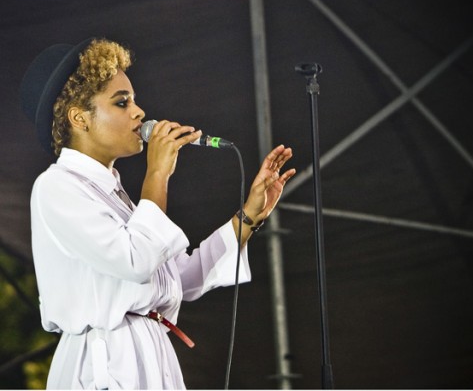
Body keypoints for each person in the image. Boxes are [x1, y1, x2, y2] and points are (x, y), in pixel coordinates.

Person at [19, 37, 296, 389]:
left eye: (134, 101)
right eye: (122, 103)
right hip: (105, 363)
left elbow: (180, 278)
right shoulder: (57, 186)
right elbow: (135, 261)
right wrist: (157, 174)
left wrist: (249, 216)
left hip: (150, 355)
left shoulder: (115, 195)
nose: (139, 112)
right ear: (79, 118)